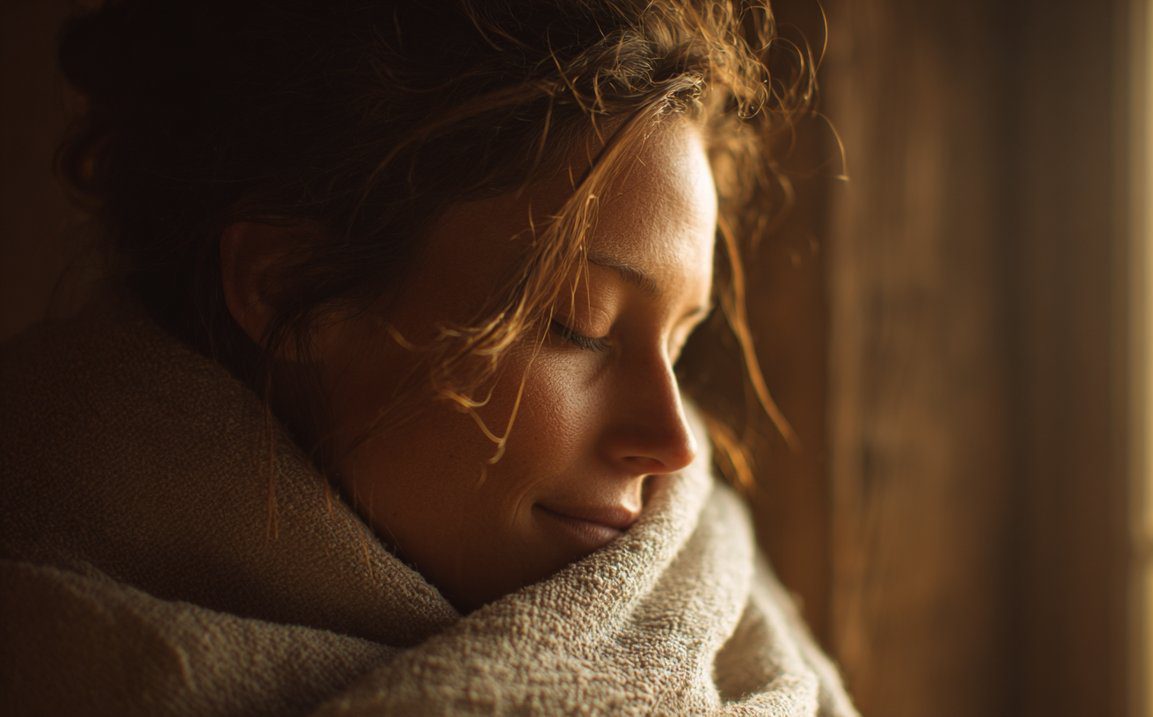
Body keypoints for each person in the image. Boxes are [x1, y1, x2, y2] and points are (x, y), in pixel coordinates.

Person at [0, 1, 858, 714]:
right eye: (579, 325)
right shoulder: (47, 644)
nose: (674, 444)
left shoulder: (739, 635)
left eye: (679, 343)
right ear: (290, 286)